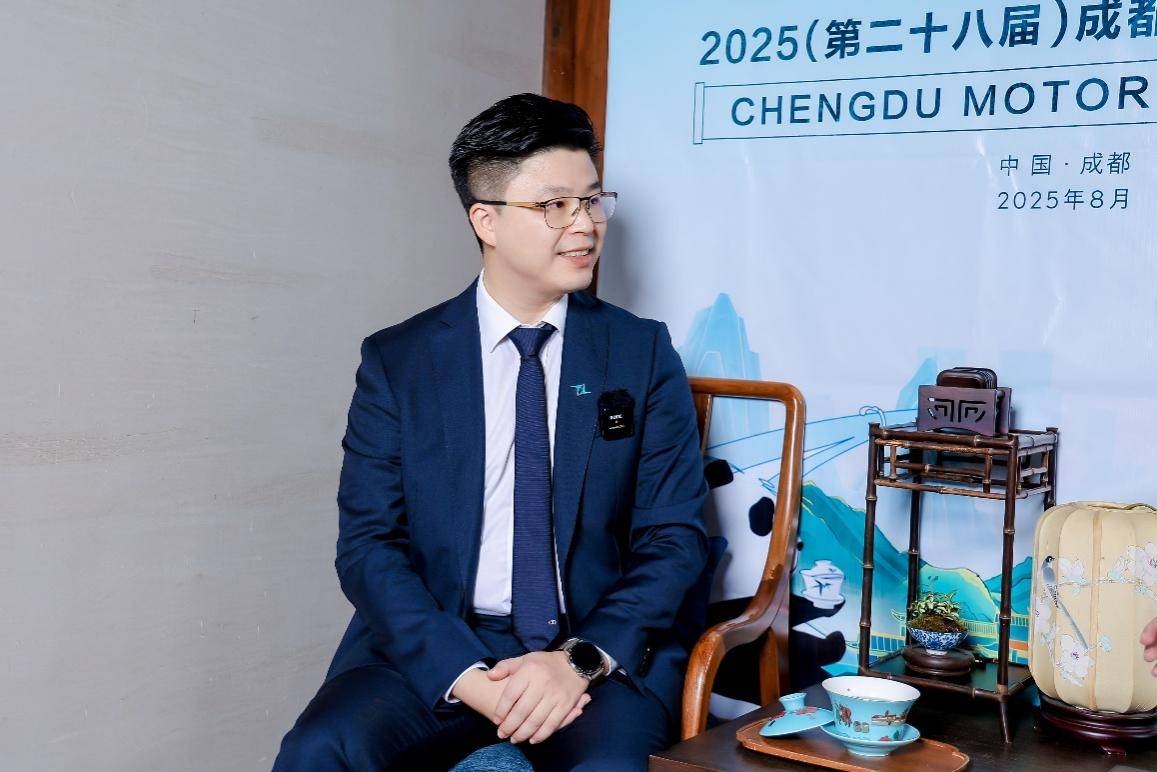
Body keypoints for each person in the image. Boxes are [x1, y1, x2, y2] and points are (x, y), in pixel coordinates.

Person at [271, 93, 708, 771]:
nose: (584, 225)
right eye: (554, 205)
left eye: (592, 200)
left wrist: (577, 661)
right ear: (487, 220)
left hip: (592, 650)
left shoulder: (639, 352)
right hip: (438, 643)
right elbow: (367, 546)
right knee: (318, 751)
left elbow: (675, 538)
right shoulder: (399, 361)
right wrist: (466, 676)